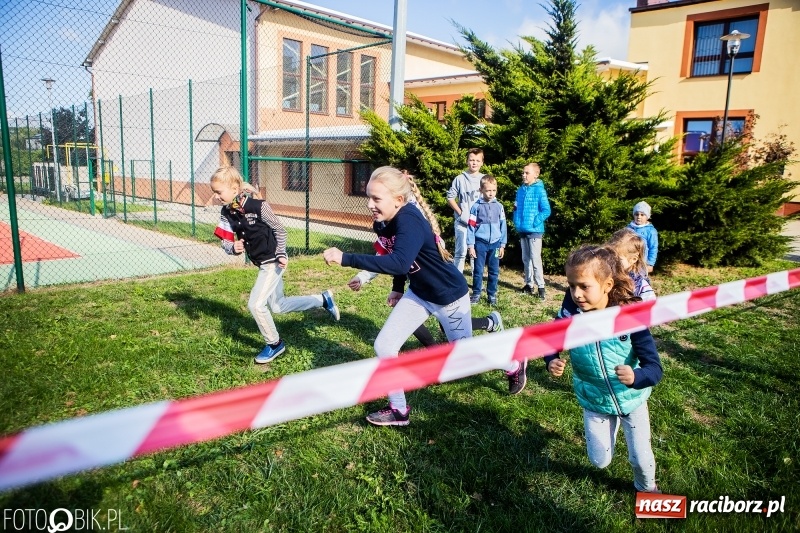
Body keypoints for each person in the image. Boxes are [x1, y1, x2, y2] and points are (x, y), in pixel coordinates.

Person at [324, 167, 527, 427]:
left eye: (376, 198)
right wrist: (398, 287)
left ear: (398, 199)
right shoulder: (382, 222)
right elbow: (393, 255)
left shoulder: (409, 219)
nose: (369, 204)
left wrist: (346, 258)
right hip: (419, 294)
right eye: (369, 197)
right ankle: (399, 410)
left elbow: (398, 261)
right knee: (384, 345)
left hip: (449, 296)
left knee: (464, 356)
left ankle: (513, 362)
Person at [544, 244, 663, 493]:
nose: (576, 294)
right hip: (594, 399)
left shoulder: (629, 318)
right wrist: (551, 359)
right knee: (600, 462)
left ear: (607, 285)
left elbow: (654, 368)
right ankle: (611, 424)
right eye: (571, 285)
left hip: (630, 399)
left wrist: (636, 377)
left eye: (584, 286)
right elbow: (550, 342)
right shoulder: (570, 316)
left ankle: (648, 490)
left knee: (640, 458)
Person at [211, 166, 340, 364]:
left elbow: (280, 230)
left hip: (274, 261)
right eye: (215, 192)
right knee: (278, 306)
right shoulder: (226, 212)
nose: (217, 196)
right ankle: (323, 300)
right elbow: (226, 242)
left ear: (235, 189)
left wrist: (280, 252)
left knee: (255, 304)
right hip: (261, 263)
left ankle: (274, 344)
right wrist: (233, 247)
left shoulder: (259, 206)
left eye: (219, 192)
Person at [467, 175, 507, 305]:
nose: (491, 193)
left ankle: (491, 294)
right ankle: (477, 293)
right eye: (488, 190)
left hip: (495, 244)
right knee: (478, 270)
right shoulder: (476, 207)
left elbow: (503, 226)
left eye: (494, 190)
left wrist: (502, 244)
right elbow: (471, 227)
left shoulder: (499, 206)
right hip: (480, 244)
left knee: (494, 271)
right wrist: (471, 245)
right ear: (481, 190)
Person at [513, 162, 551, 299]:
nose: (524, 175)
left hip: (534, 231)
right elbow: (516, 208)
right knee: (526, 258)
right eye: (523, 172)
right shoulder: (520, 190)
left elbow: (546, 210)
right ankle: (529, 284)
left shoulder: (539, 190)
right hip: (522, 229)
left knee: (535, 259)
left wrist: (535, 221)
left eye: (527, 173)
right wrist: (517, 221)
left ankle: (541, 286)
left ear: (536, 174)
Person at [447, 148, 485, 273]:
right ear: (467, 161)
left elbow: (490, 198)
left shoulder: (484, 179)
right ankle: (457, 280)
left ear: (482, 163)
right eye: (471, 160)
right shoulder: (460, 179)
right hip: (462, 223)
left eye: (477, 160)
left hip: (478, 224)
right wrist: (460, 212)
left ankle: (476, 280)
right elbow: (450, 198)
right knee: (461, 252)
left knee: (476, 253)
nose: (474, 163)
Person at [606, 228, 656, 301]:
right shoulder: (607, 276)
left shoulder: (640, 285)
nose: (612, 261)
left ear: (633, 259)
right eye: (610, 256)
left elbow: (651, 307)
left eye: (618, 259)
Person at [627, 201, 658, 274]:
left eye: (642, 215)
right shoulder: (628, 228)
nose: (639, 217)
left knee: (640, 281)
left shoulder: (650, 231)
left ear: (647, 216)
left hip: (642, 262)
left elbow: (653, 248)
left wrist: (650, 263)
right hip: (628, 261)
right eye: (636, 214)